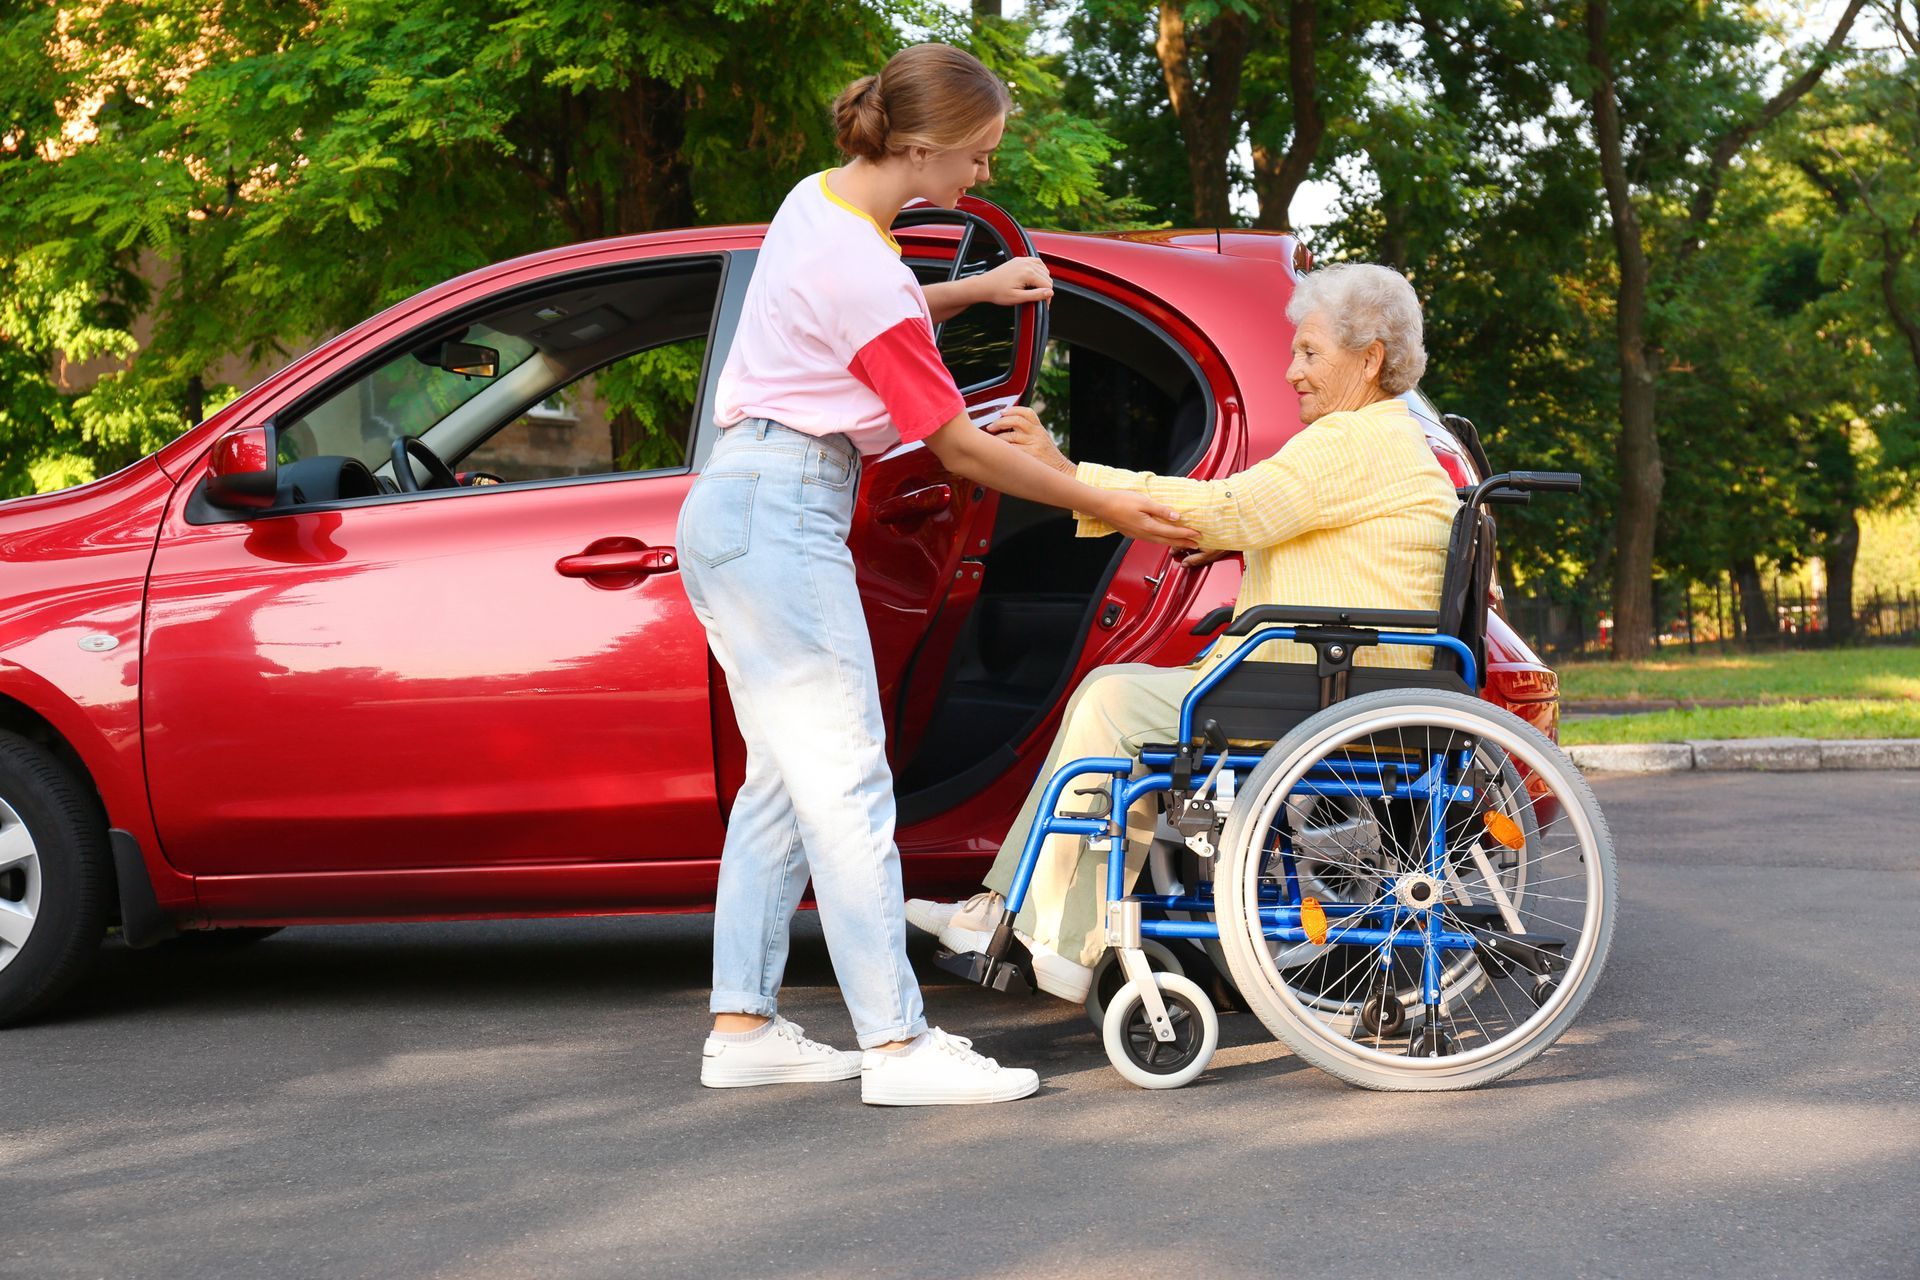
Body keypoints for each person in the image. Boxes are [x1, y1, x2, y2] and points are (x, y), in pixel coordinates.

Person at [678, 43, 1199, 1106]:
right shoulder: (865, 267)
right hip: (783, 511)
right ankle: (901, 1047)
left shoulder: (817, 207)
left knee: (784, 780)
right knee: (850, 782)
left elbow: (864, 315)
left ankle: (743, 1025)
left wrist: (972, 287)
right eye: (978, 155)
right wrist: (1099, 498)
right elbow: (957, 446)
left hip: (736, 505)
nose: (983, 177)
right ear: (919, 145)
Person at [907, 262, 1458, 1002]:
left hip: (1322, 684)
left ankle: (1030, 924)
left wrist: (1070, 473)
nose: (1291, 372)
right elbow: (1304, 529)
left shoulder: (1351, 441)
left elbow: (1233, 504)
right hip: (1343, 672)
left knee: (1111, 701)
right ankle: (1044, 930)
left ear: (1370, 359)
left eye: (1309, 354)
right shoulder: (1385, 441)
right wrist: (1239, 539)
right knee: (1117, 696)